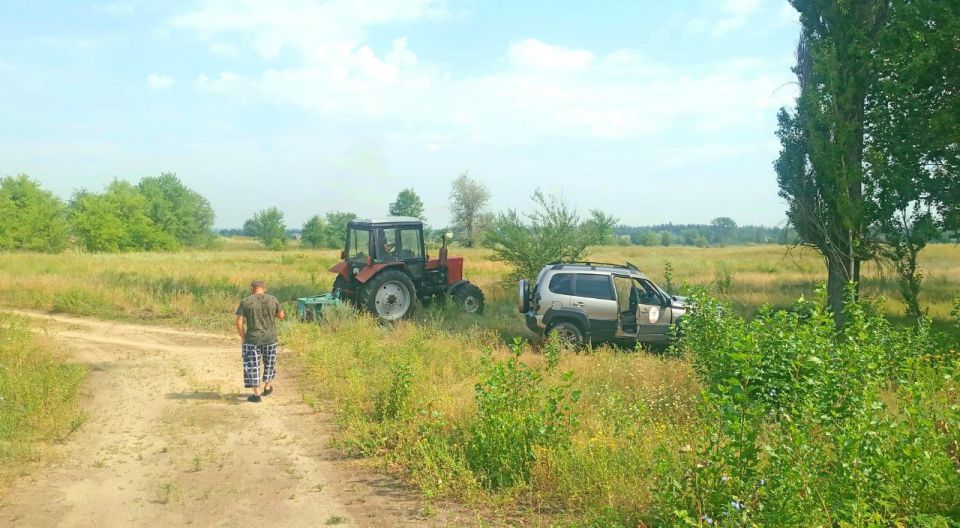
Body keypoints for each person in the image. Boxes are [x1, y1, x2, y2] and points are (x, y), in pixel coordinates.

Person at [235, 279, 285, 403]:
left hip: (252, 339)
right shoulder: (272, 299)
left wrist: (243, 337)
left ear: (251, 289)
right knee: (270, 363)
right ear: (265, 289)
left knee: (252, 365)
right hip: (270, 338)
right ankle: (267, 387)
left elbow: (239, 322)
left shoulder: (245, 301)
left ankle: (256, 395)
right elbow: (281, 316)